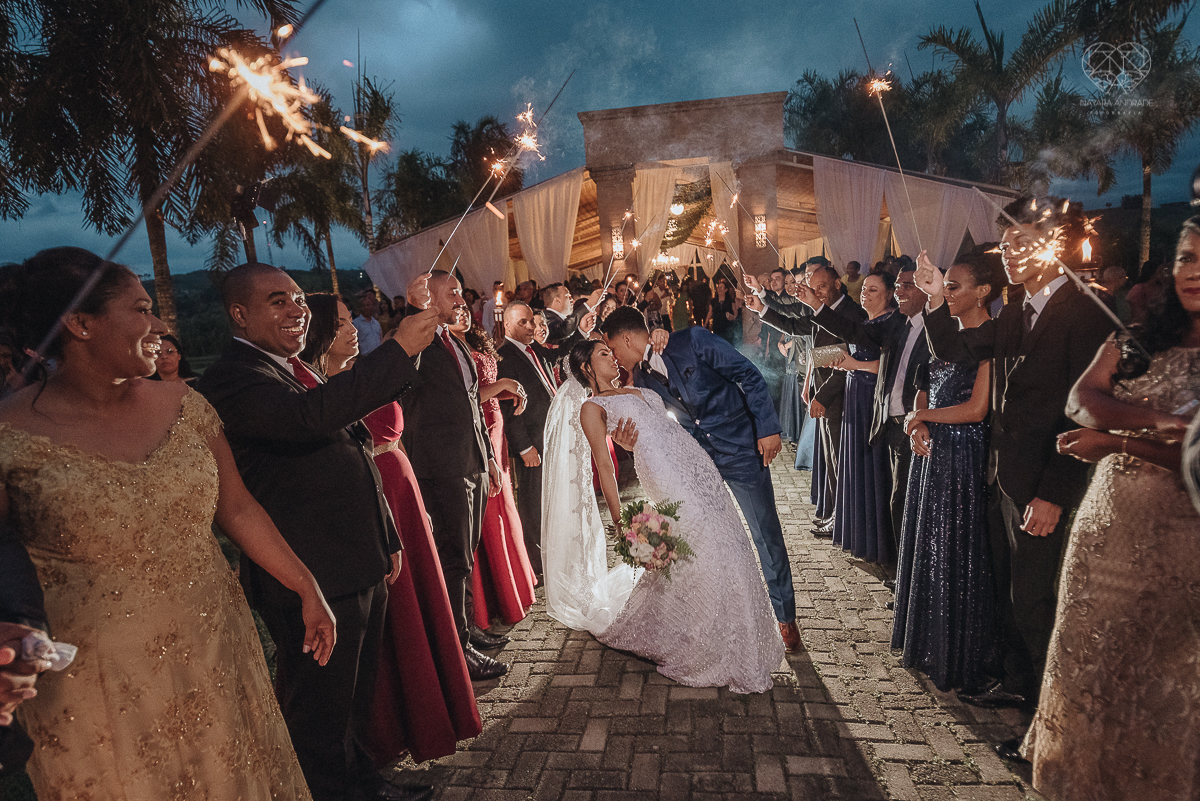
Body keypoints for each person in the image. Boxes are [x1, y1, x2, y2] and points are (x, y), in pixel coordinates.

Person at [2, 249, 337, 800]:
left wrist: (305, 584)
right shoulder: (10, 435)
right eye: (140, 309)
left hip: (214, 644)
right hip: (95, 681)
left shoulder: (185, 402)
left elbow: (238, 509)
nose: (159, 324)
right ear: (81, 324)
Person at [198, 263, 438, 801]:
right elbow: (308, 420)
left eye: (300, 298)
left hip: (355, 560)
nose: (297, 310)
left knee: (354, 698)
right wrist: (396, 350)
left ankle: (365, 784)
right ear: (239, 314)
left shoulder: (290, 367)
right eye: (277, 301)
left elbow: (353, 450)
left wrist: (387, 538)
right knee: (319, 712)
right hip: (308, 571)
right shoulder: (233, 378)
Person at [913, 196, 1114, 723]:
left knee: (1036, 601)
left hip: (1046, 484)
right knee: (1010, 595)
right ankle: (1021, 686)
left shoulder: (1085, 309)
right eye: (1006, 245)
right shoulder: (1020, 308)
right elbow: (968, 347)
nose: (1011, 253)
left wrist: (1053, 492)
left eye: (1023, 242)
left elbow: (1086, 416)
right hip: (1006, 477)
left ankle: (1055, 718)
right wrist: (936, 298)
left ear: (1055, 245)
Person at [1021, 217, 1200, 800]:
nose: (1194, 272)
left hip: (1180, 542)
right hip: (1107, 529)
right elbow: (1083, 397)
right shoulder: (1145, 335)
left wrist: (1121, 442)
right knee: (1089, 666)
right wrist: (1161, 421)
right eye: (1187, 258)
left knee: (1163, 686)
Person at [299, 294, 481, 767]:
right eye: (339, 324)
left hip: (400, 492)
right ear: (319, 333)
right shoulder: (331, 391)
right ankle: (387, 728)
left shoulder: (369, 374)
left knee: (422, 598)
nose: (351, 330)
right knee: (392, 621)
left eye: (349, 321)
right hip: (379, 495)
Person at [542, 339, 783, 692]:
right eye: (602, 355)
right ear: (585, 369)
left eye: (611, 351)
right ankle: (705, 646)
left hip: (696, 465)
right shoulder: (591, 408)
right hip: (666, 476)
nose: (612, 357)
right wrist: (621, 519)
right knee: (709, 548)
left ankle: (740, 639)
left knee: (732, 540)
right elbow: (605, 467)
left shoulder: (637, 387)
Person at [601, 307, 802, 652]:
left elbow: (748, 374)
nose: (615, 358)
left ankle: (785, 617)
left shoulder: (691, 340)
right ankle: (721, 617)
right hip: (698, 463)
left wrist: (768, 428)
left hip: (740, 449)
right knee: (709, 541)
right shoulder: (643, 381)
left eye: (612, 348)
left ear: (628, 338)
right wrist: (630, 443)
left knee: (765, 534)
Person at [892, 256, 997, 693]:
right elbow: (926, 375)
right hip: (932, 450)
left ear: (983, 292)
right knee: (926, 543)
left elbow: (977, 408)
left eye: (954, 287)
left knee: (953, 550)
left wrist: (923, 416)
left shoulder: (992, 339)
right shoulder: (950, 336)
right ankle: (925, 641)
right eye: (945, 287)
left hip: (962, 457)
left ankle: (955, 649)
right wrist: (920, 422)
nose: (948, 294)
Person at [401, 270, 508, 682]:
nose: (462, 299)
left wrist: (489, 461)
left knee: (466, 553)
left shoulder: (455, 342)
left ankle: (469, 633)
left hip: (471, 463)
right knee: (454, 559)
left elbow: (470, 406)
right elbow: (402, 369)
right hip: (442, 470)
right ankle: (458, 650)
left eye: (461, 292)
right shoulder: (422, 341)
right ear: (431, 298)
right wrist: (414, 312)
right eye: (454, 293)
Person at [787, 265, 931, 566]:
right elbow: (835, 347)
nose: (865, 293)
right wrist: (808, 360)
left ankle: (866, 536)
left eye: (873, 290)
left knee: (855, 469)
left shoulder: (861, 314)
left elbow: (856, 357)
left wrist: (822, 392)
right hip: (851, 395)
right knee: (840, 465)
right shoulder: (865, 317)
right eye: (864, 289)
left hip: (860, 399)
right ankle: (846, 523)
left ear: (836, 285)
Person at [745, 265, 868, 538]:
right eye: (814, 288)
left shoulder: (851, 313)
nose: (817, 292)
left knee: (841, 461)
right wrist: (760, 308)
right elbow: (794, 327)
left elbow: (845, 359)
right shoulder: (819, 310)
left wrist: (822, 394)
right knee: (831, 461)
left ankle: (844, 519)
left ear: (837, 282)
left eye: (822, 286)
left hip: (843, 395)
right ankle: (836, 515)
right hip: (823, 392)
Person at [450, 310, 537, 631]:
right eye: (452, 299)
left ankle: (516, 585)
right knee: (488, 511)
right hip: (476, 429)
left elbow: (482, 387)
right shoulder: (439, 350)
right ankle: (492, 600)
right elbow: (459, 400)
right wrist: (501, 384)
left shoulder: (472, 341)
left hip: (495, 423)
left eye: (462, 300)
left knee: (504, 504)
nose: (461, 307)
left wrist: (507, 389)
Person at [496, 301, 558, 579]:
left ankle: (554, 553)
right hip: (532, 439)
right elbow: (508, 409)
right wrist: (523, 446)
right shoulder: (504, 357)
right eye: (524, 322)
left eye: (532, 321)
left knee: (551, 499)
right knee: (533, 504)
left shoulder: (537, 352)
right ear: (507, 325)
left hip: (550, 434)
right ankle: (537, 564)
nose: (531, 326)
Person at [708, 276, 741, 346]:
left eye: (721, 287)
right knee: (718, 343)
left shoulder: (730, 300)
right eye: (718, 287)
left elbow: (735, 312)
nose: (719, 289)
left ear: (726, 290)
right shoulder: (713, 301)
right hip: (717, 325)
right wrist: (705, 324)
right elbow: (710, 312)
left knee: (728, 343)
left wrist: (733, 317)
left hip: (727, 325)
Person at [353, 288, 384, 355]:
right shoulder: (356, 323)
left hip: (379, 356)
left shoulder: (376, 323)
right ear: (361, 307)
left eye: (369, 305)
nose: (367, 308)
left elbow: (380, 339)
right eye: (365, 306)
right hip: (365, 357)